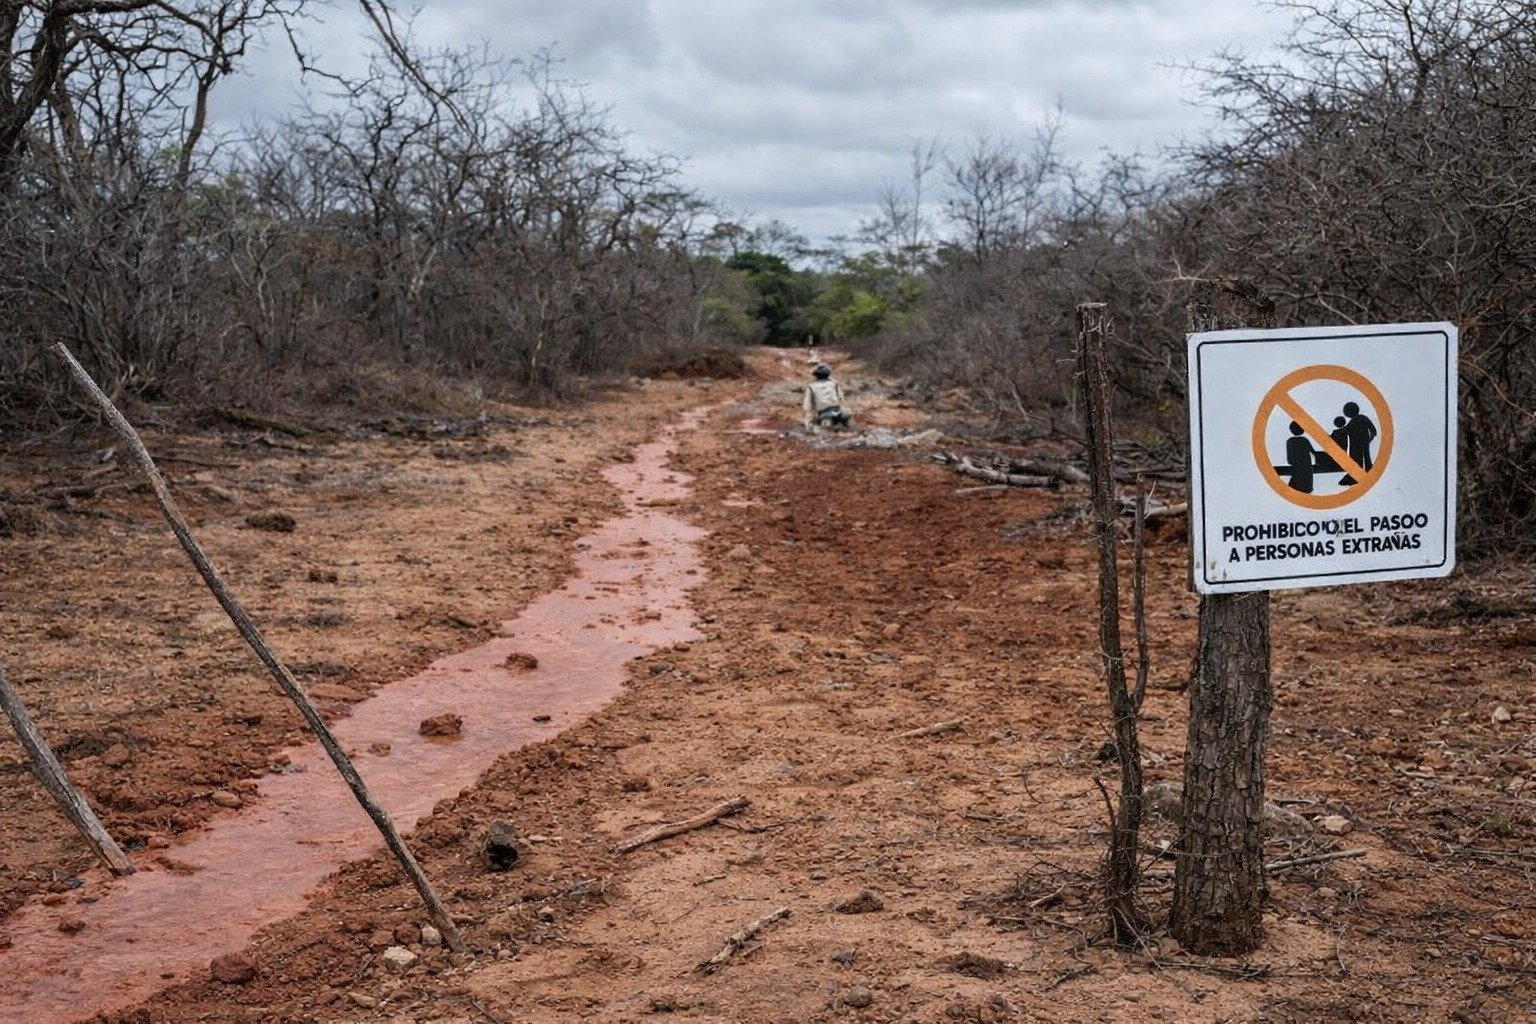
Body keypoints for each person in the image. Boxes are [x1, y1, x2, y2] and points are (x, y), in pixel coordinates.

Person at [803, 363, 851, 429]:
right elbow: (841, 399)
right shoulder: (834, 383)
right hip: (841, 412)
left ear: (815, 375)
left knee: (814, 424)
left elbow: (807, 407)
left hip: (825, 414)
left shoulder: (811, 387)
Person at [1342, 400, 1377, 483]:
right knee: (1366, 456)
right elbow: (1373, 430)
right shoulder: (1361, 418)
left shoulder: (1353, 422)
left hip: (1357, 444)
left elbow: (1345, 431)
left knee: (1357, 458)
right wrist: (1370, 438)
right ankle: (1367, 471)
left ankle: (1359, 474)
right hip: (1363, 442)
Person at [1285, 420, 1315, 493]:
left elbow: (1290, 461)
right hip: (1308, 479)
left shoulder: (1289, 441)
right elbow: (1313, 453)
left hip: (1297, 473)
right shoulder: (1305, 440)